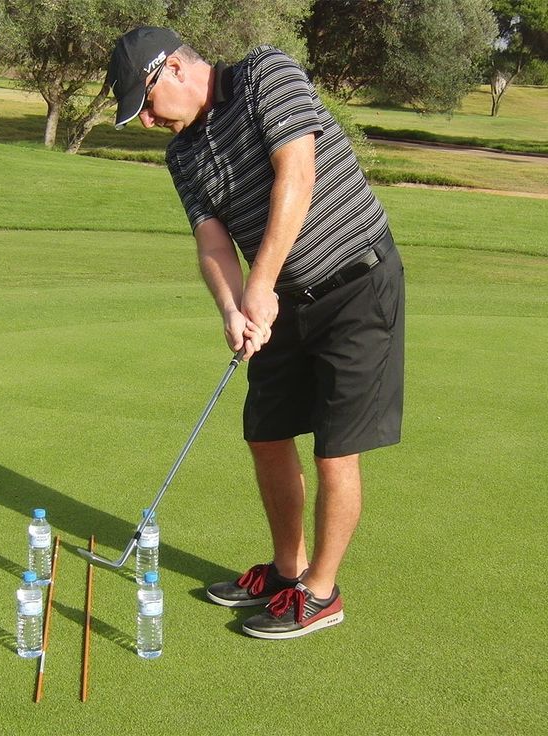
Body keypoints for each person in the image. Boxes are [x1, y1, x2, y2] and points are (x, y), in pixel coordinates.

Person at [107, 27, 405, 640]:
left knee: (334, 447)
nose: (146, 122)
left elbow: (297, 174)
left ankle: (321, 593)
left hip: (355, 282)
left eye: (146, 105)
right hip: (282, 301)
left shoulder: (266, 72)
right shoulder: (182, 154)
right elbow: (212, 239)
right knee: (266, 432)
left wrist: (260, 284)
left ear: (174, 72)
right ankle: (287, 569)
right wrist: (232, 308)